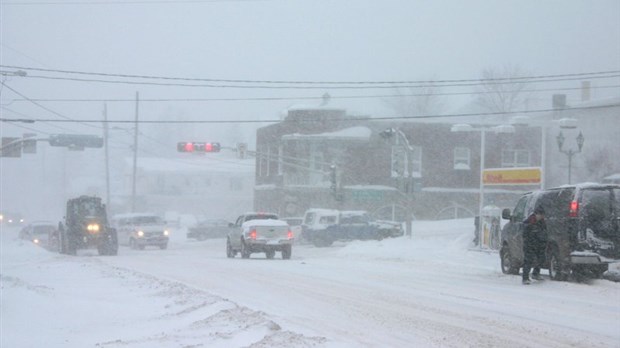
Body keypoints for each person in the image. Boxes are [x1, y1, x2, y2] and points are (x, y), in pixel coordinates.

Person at [522, 206, 548, 284]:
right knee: (528, 260)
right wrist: (531, 237)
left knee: (541, 259)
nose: (541, 217)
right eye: (540, 215)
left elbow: (545, 232)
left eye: (542, 215)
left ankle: (536, 273)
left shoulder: (542, 222)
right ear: (536, 214)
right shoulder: (529, 222)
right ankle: (525, 277)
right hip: (529, 245)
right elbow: (525, 234)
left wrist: (544, 241)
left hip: (540, 244)